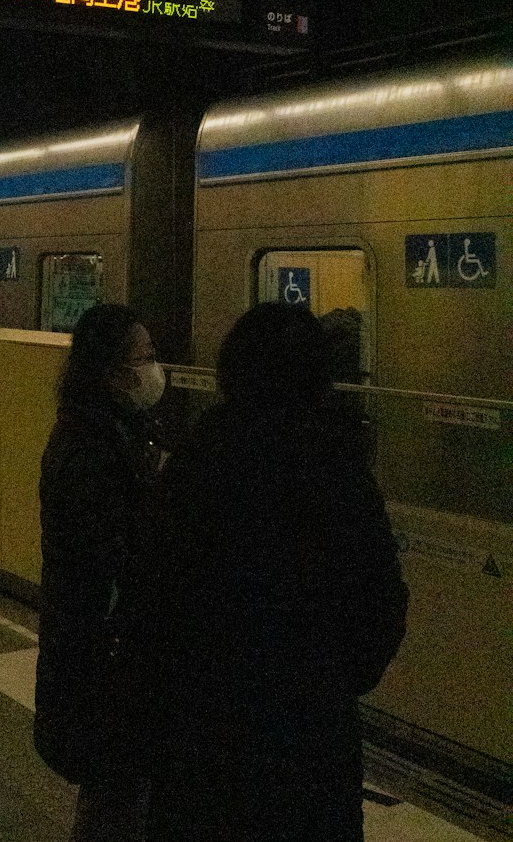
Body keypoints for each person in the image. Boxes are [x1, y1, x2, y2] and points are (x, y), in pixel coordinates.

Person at [149, 302, 408, 842]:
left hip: (208, 728)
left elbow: (157, 590)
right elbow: (382, 598)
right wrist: (333, 680)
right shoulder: (339, 466)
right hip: (312, 730)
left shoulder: (198, 461)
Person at [34, 303, 165, 842]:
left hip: (89, 650)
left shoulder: (101, 432)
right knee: (115, 793)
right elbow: (109, 556)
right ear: (112, 372)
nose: (156, 369)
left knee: (113, 792)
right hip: (102, 653)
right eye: (147, 357)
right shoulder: (93, 449)